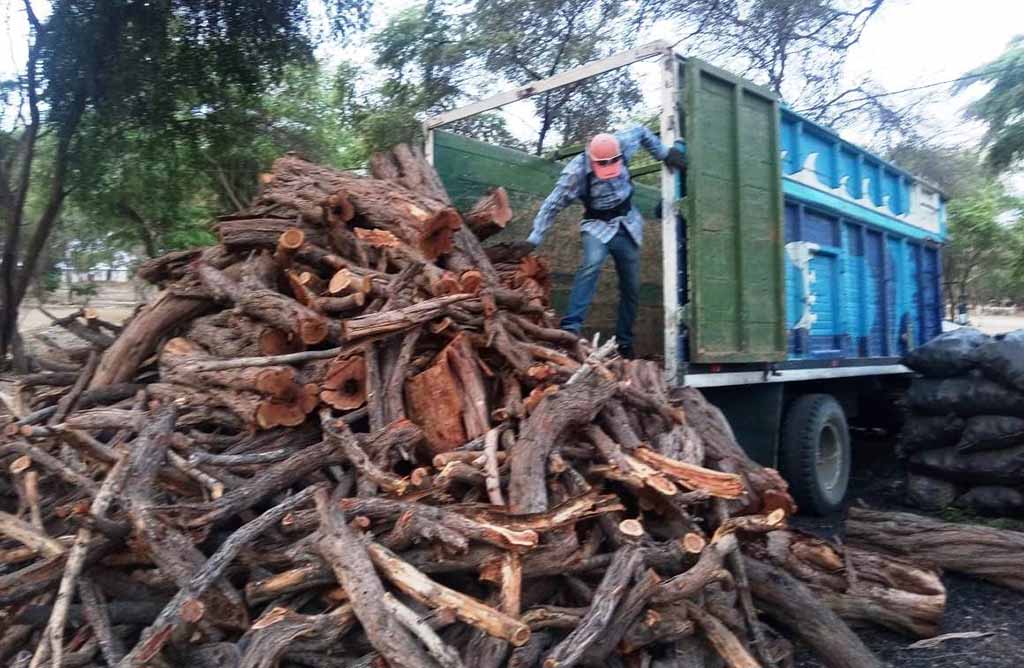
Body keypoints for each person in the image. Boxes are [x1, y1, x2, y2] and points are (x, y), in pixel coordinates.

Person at [516, 127, 686, 358]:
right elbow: (551, 205)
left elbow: (643, 132)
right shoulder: (575, 173)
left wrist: (664, 153)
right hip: (597, 225)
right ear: (592, 159)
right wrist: (534, 237)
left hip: (627, 223)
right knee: (591, 264)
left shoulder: (624, 142)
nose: (608, 169)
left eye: (612, 164)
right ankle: (570, 329)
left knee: (631, 286)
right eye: (602, 165)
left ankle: (624, 343)